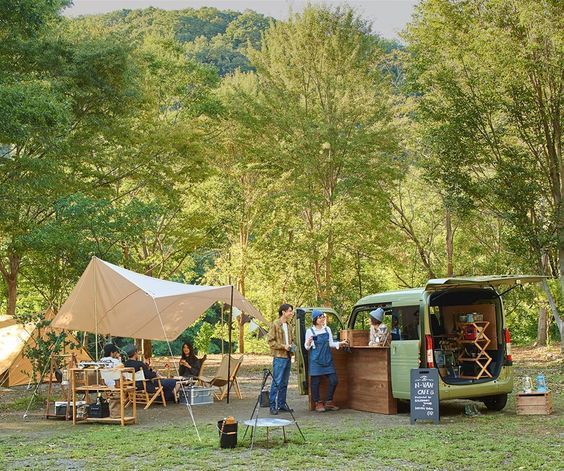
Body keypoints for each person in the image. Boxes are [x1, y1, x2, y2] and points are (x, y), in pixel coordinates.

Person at [304, 309, 348, 412]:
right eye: (320, 317)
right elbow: (306, 347)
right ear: (315, 319)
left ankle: (329, 401)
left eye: (323, 317)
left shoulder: (327, 329)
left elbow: (331, 343)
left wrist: (341, 343)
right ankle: (318, 403)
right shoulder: (310, 331)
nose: (322, 319)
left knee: (334, 380)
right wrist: (309, 342)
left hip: (327, 359)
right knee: (315, 382)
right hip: (316, 360)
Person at [267, 303, 295, 415]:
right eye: (289, 311)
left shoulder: (289, 325)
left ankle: (282, 404)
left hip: (288, 357)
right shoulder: (275, 324)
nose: (291, 313)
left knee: (284, 382)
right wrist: (284, 346)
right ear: (283, 312)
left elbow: (291, 340)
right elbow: (270, 341)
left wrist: (292, 346)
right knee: (276, 382)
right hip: (279, 357)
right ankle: (272, 406)